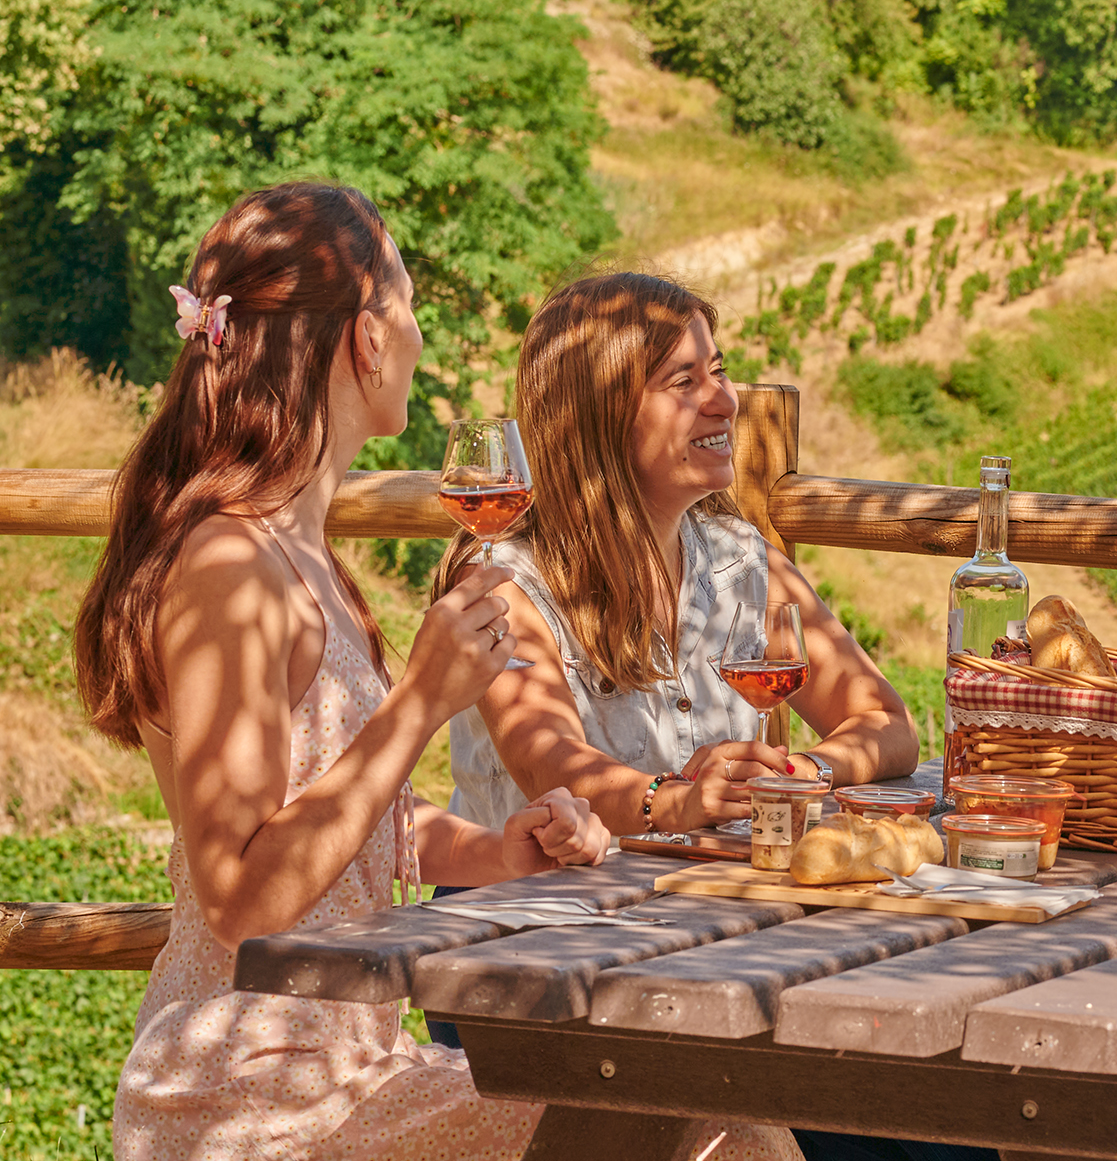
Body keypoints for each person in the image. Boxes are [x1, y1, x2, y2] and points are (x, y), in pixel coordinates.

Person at [75, 183, 614, 1161]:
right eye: (408, 304)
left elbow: (334, 819)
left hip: (349, 1069)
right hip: (246, 1089)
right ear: (367, 336)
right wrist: (419, 703)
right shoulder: (229, 565)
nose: (419, 335)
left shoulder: (296, 552)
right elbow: (240, 897)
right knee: (675, 1119)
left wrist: (500, 852)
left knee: (695, 1115)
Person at [435, 272, 917, 842]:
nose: (725, 401)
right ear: (602, 414)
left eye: (718, 370)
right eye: (684, 382)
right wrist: (673, 801)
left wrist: (797, 772)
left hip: (690, 892)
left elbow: (887, 725)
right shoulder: (507, 583)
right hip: (523, 895)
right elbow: (552, 766)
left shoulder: (740, 560)